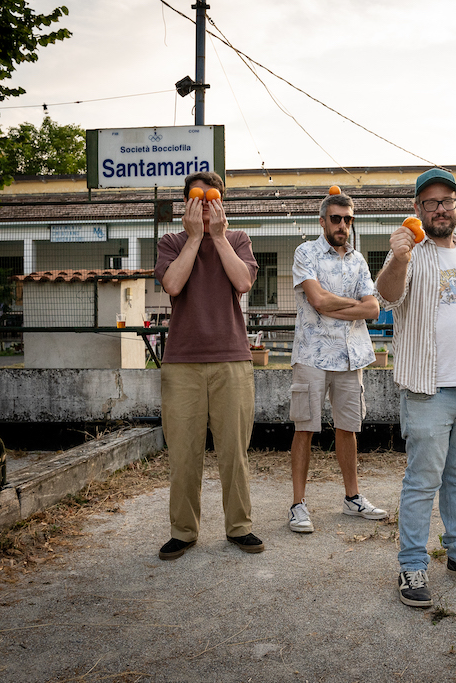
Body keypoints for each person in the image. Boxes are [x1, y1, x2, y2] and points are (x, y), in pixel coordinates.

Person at [376, 168, 456, 608]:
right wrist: (398, 258)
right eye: (430, 202)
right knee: (422, 482)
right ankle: (411, 565)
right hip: (428, 390)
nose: (440, 209)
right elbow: (387, 297)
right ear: (418, 209)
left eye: (447, 200)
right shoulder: (410, 252)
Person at [153, 171, 263, 560]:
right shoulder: (171, 242)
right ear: (186, 203)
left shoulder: (237, 239)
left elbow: (243, 282)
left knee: (234, 450)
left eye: (211, 199)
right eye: (196, 199)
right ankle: (183, 531)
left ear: (221, 203)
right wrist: (194, 238)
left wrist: (217, 237)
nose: (204, 205)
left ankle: (239, 527)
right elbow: (173, 285)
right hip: (182, 362)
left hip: (232, 359)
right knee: (183, 453)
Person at [287, 190, 387, 533]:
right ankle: (298, 505)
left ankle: (352, 498)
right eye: (336, 219)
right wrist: (350, 304)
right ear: (323, 221)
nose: (342, 225)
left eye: (348, 219)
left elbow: (373, 309)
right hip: (312, 355)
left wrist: (335, 303)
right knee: (304, 428)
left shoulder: (358, 261)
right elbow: (316, 300)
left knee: (348, 428)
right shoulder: (306, 253)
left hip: (350, 357)